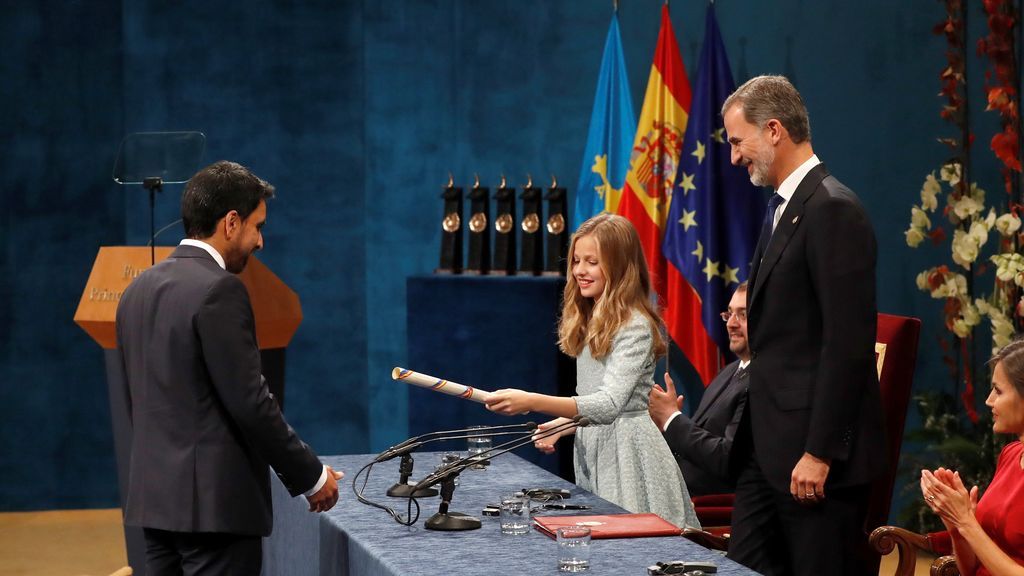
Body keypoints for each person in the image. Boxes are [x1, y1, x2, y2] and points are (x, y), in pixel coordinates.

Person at [116, 161, 344, 575]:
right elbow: (250, 403)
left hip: (154, 505)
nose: (260, 241)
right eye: (258, 226)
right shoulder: (220, 290)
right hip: (213, 513)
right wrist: (311, 476)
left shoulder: (137, 290)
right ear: (231, 222)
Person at [720, 76, 885, 576]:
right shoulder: (782, 209)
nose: (733, 158)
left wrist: (819, 452)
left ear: (773, 130)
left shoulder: (833, 209)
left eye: (736, 142)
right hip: (766, 452)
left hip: (812, 465)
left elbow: (848, 344)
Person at [484, 213, 700, 529]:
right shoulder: (592, 318)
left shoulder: (635, 325)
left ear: (619, 266)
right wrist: (562, 424)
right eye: (576, 261)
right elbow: (591, 400)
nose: (579, 271)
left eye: (592, 262)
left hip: (628, 458)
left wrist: (532, 401)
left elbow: (610, 405)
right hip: (594, 449)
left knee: (632, 550)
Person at [920, 339, 1024, 576]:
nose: (989, 401)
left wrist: (967, 522)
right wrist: (956, 523)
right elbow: (971, 569)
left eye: (998, 390)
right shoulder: (1010, 454)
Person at [648, 282, 751, 497]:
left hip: (714, 508)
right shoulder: (730, 371)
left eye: (742, 315)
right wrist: (666, 425)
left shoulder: (760, 380)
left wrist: (672, 419)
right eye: (729, 314)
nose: (731, 324)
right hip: (685, 495)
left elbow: (726, 459)